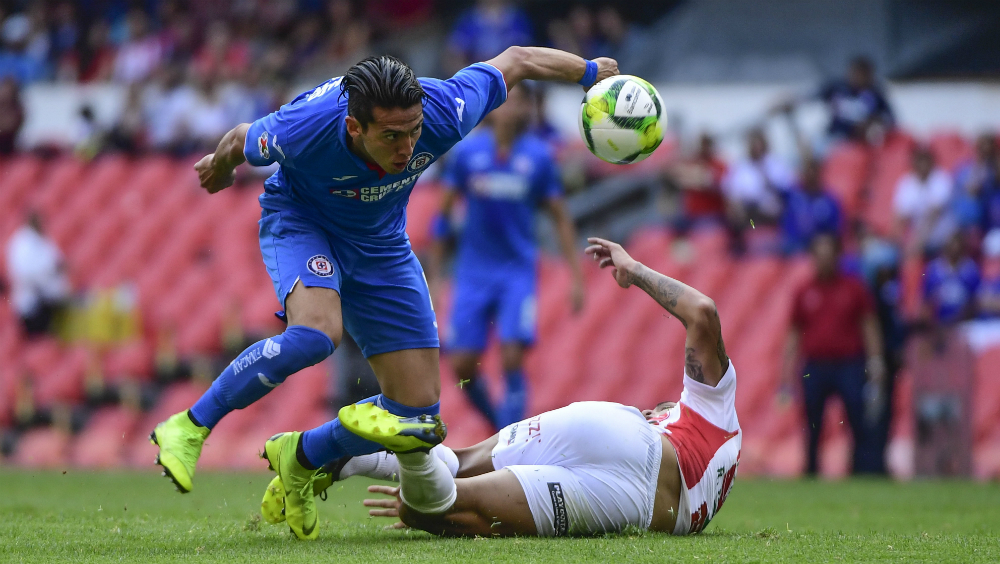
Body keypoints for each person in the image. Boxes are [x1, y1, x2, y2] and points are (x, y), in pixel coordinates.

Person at [148, 47, 618, 543]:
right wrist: (221, 168)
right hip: (303, 222)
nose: (407, 146)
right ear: (355, 128)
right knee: (316, 335)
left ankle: (301, 456)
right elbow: (239, 140)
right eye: (391, 136)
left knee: (415, 413)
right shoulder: (305, 127)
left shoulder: (446, 109)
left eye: (413, 131)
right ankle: (189, 426)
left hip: (381, 244)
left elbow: (518, 60)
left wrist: (588, 72)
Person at [262, 237, 740, 538]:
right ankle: (406, 452)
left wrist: (633, 270)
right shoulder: (719, 432)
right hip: (636, 497)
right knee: (434, 509)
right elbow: (704, 314)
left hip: (612, 430)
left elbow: (702, 312)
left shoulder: (707, 411)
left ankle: (329, 455)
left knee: (460, 464)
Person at [431, 83, 584, 430]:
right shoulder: (467, 154)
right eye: (506, 100)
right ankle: (499, 428)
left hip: (517, 271)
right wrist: (437, 277)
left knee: (512, 356)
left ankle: (509, 441)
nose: (511, 108)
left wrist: (576, 277)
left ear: (528, 108)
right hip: (473, 272)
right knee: (462, 367)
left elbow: (560, 216)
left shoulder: (539, 157)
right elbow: (443, 215)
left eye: (520, 102)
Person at [783, 232, 885, 476]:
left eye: (828, 255)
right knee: (812, 420)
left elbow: (869, 326)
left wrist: (876, 361)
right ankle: (811, 470)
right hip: (815, 366)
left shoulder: (854, 288)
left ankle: (860, 469)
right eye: (819, 256)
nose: (824, 261)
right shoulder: (804, 290)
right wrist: (786, 371)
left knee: (857, 416)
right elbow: (794, 333)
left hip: (849, 364)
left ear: (838, 257)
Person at [5, 212, 71, 336]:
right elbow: (29, 275)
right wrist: (53, 270)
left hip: (51, 302)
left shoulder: (42, 239)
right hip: (34, 309)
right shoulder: (21, 245)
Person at [892, 146, 954, 255]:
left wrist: (917, 244)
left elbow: (933, 216)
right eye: (919, 161)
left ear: (931, 161)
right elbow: (900, 216)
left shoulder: (941, 178)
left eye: (925, 160)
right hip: (917, 236)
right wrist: (895, 240)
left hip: (942, 236)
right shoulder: (906, 182)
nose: (922, 165)